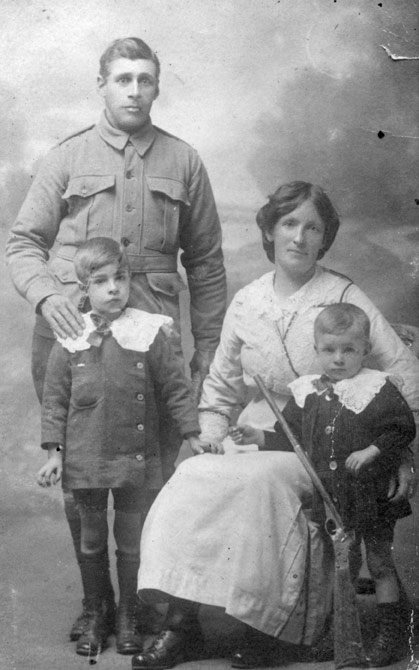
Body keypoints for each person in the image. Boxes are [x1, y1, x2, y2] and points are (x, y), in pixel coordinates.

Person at [133, 181, 419, 670]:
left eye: (313, 228)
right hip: (260, 430)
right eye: (289, 224)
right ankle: (182, 623)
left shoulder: (343, 294)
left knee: (256, 482)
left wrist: (399, 453)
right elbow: (220, 387)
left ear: (325, 237)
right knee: (192, 476)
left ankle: (268, 627)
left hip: (323, 436)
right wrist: (213, 438)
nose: (299, 238)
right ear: (269, 229)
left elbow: (403, 375)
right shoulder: (247, 302)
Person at [5, 37, 226, 639]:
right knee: (83, 474)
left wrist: (207, 344)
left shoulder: (184, 161)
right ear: (101, 84)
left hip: (151, 343)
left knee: (145, 473)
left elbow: (205, 262)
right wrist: (49, 296)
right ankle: (94, 604)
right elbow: (23, 243)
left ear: (158, 86)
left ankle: (134, 605)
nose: (134, 90)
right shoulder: (66, 157)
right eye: (122, 79)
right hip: (71, 336)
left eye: (145, 80)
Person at [36, 237, 209, 657]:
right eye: (102, 281)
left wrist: (192, 433)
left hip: (135, 457)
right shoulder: (70, 337)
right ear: (84, 287)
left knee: (131, 543)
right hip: (86, 459)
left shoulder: (148, 331)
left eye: (121, 278)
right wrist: (54, 454)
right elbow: (55, 399)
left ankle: (130, 611)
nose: (114, 287)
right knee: (92, 542)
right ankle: (98, 610)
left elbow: (175, 387)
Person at [231, 302, 416, 667]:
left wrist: (373, 450)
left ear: (364, 349)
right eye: (329, 350)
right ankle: (341, 634)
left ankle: (390, 633)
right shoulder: (307, 391)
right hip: (332, 497)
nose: (338, 359)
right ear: (316, 350)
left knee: (378, 562)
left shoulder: (377, 388)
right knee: (339, 567)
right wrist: (256, 434)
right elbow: (289, 439)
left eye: (349, 349)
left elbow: (402, 428)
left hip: (371, 495)